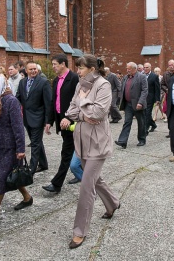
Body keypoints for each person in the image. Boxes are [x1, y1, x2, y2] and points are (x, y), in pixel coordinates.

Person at [63, 55, 120, 249]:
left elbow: (98, 113)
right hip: (81, 141)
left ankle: (79, 232)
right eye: (77, 67)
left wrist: (82, 103)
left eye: (80, 67)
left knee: (86, 186)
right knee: (95, 179)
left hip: (97, 143)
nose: (78, 70)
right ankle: (113, 203)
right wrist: (83, 111)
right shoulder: (81, 85)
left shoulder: (103, 85)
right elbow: (71, 111)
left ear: (92, 68)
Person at [0, 73, 33, 224]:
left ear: (2, 84)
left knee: (1, 177)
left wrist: (20, 148)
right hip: (0, 147)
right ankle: (27, 197)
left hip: (11, 147)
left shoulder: (11, 101)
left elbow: (18, 127)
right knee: (10, 175)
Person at [43, 54, 79, 194]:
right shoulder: (56, 80)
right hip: (61, 121)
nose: (53, 67)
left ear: (63, 64)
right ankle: (80, 172)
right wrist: (49, 121)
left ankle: (56, 184)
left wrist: (70, 118)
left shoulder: (74, 78)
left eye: (55, 64)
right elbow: (53, 102)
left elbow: (78, 102)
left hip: (71, 122)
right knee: (76, 150)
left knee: (66, 152)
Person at [16, 61, 52, 173]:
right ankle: (43, 164)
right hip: (26, 118)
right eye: (30, 69)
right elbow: (18, 98)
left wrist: (47, 121)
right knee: (36, 141)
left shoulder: (43, 82)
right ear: (26, 71)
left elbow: (48, 102)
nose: (33, 71)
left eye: (35, 69)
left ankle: (31, 168)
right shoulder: (22, 82)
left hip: (38, 118)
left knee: (35, 144)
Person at [115, 62, 148, 148]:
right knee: (127, 122)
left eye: (129, 69)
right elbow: (122, 89)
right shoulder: (125, 77)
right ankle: (122, 141)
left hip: (138, 104)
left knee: (141, 123)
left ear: (134, 69)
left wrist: (140, 102)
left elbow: (144, 91)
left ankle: (141, 139)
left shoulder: (141, 77)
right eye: (127, 68)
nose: (127, 70)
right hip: (128, 104)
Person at [143, 63, 161, 134]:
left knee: (147, 113)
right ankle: (153, 125)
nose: (145, 69)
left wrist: (157, 99)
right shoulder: (141, 75)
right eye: (144, 67)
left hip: (150, 98)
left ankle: (145, 129)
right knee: (145, 113)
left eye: (147, 67)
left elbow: (157, 88)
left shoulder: (154, 76)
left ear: (150, 68)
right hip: (143, 98)